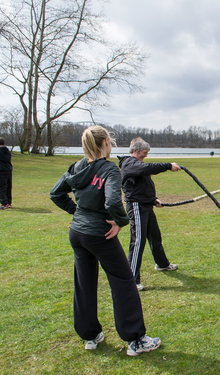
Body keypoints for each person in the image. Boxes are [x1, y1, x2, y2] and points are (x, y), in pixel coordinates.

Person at [50, 126, 161, 356]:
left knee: (84, 283)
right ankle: (136, 340)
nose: (111, 146)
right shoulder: (108, 169)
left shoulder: (77, 167)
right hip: (99, 233)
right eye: (110, 142)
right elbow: (112, 202)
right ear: (104, 144)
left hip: (78, 234)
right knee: (123, 281)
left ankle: (90, 335)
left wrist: (79, 214)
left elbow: (56, 193)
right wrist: (120, 221)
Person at [118, 137, 181, 291]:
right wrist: (167, 166)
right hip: (137, 207)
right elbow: (144, 169)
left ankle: (162, 264)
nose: (146, 156)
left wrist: (153, 199)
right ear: (135, 151)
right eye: (144, 153)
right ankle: (132, 280)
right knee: (138, 241)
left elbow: (141, 185)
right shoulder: (129, 163)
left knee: (155, 237)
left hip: (146, 205)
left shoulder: (137, 164)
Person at [0, 137, 13, 209]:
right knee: (8, 187)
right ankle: (9, 202)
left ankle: (4, 203)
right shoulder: (7, 151)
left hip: (1, 171)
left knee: (2, 187)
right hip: (8, 170)